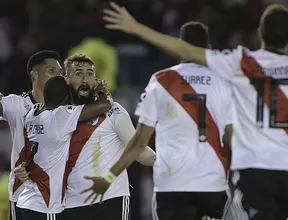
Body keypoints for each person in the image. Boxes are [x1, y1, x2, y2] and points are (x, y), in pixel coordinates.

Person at [103, 3, 288, 220]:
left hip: (243, 172)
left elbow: (185, 50)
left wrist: (137, 28)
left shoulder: (239, 64)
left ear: (260, 33)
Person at [83, 21, 233, 220]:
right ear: (208, 48)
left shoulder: (161, 81)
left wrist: (109, 177)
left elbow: (139, 142)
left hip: (172, 187)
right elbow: (234, 138)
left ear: (179, 46)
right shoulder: (224, 82)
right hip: (213, 185)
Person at [15, 54, 156, 220]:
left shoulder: (113, 111)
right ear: (65, 79)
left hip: (110, 199)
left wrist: (162, 158)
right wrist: (24, 169)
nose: (85, 79)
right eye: (78, 73)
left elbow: (140, 152)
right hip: (69, 204)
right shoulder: (56, 116)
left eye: (90, 73)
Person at [16, 75, 112, 220]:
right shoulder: (60, 116)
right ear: (66, 98)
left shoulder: (32, 113)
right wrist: (101, 91)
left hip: (24, 201)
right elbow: (104, 105)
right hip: (45, 205)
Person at [0, 50, 63, 220]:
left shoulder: (68, 110)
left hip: (57, 196)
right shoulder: (17, 104)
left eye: (60, 72)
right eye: (51, 71)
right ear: (35, 75)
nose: (58, 76)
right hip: (21, 194)